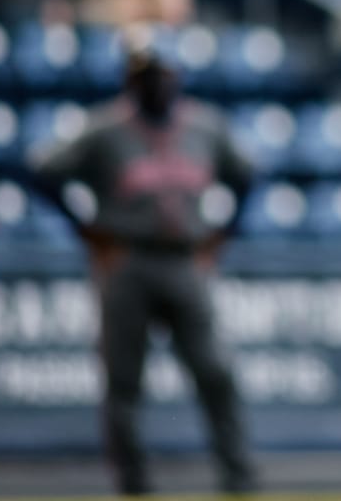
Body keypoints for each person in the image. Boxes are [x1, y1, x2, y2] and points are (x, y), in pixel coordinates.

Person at [29, 27, 257, 496]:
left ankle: (239, 480)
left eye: (163, 72)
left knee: (216, 372)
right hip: (127, 263)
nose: (156, 82)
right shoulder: (104, 129)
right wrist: (85, 228)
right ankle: (134, 485)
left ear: (178, 75)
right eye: (146, 74)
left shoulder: (205, 126)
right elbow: (42, 170)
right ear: (129, 79)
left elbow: (248, 177)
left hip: (184, 262)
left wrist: (224, 234)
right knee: (124, 385)